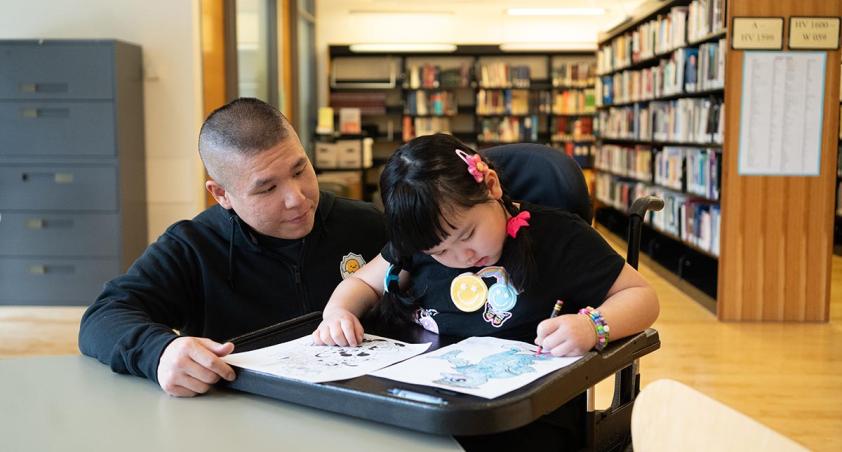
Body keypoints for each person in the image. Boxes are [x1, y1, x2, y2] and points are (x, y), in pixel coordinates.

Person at [312, 133, 659, 448]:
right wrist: (337, 312)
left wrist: (592, 326)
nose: (460, 257)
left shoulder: (558, 238)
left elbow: (642, 297)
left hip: (525, 417)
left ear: (491, 186)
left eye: (467, 235)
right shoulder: (421, 244)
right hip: (429, 410)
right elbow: (361, 283)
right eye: (439, 253)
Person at [79, 98, 386, 397]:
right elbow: (103, 317)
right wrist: (160, 351)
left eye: (299, 170)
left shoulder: (367, 225)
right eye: (267, 188)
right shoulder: (192, 247)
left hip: (361, 404)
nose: (297, 198)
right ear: (221, 194)